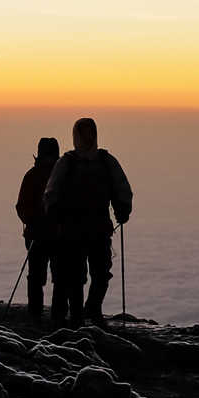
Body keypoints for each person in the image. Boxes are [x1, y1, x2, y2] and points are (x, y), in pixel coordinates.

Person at [43, 117, 133, 326]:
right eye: (84, 133)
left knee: (99, 274)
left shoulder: (98, 161)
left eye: (89, 132)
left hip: (93, 228)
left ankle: (90, 310)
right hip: (77, 229)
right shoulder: (74, 162)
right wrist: (122, 209)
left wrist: (122, 208)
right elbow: (52, 192)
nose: (87, 137)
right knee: (78, 276)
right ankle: (80, 315)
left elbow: (122, 189)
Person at [14, 137, 61, 323]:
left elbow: (21, 206)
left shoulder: (32, 175)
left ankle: (36, 314)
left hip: (40, 234)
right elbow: (22, 206)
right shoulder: (62, 176)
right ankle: (55, 315)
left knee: (38, 276)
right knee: (58, 277)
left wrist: (32, 221)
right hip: (53, 235)